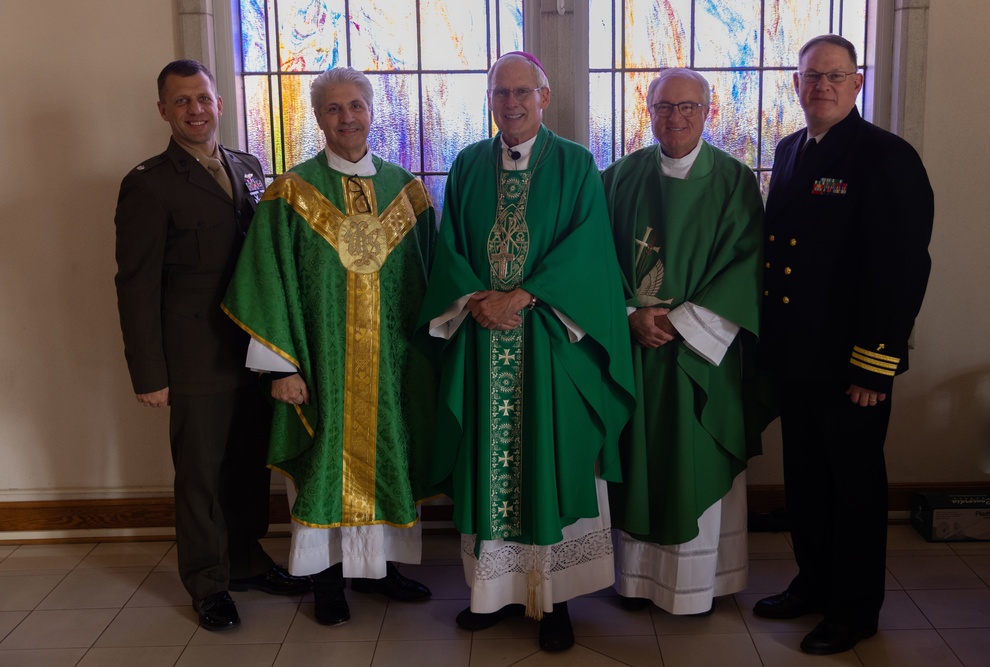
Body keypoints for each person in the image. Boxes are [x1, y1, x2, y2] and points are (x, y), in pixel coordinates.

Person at [418, 52, 635, 652]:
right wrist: (476, 301)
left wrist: (525, 294)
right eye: (499, 93)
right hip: (483, 342)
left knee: (551, 458)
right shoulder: (465, 165)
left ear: (545, 97)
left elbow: (590, 252)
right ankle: (492, 595)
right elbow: (451, 249)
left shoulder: (575, 163)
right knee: (490, 466)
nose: (510, 104)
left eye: (521, 92)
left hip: (548, 348)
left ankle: (555, 600)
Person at [222, 67, 437, 626]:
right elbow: (267, 282)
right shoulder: (292, 193)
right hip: (320, 368)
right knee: (324, 463)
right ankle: (326, 579)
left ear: (372, 111)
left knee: (390, 455)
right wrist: (280, 368)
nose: (348, 118)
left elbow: (431, 278)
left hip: (390, 369)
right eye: (334, 108)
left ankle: (382, 568)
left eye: (357, 106)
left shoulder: (407, 194)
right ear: (318, 117)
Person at [114, 59, 310, 631]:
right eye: (181, 101)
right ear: (163, 110)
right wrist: (148, 372)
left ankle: (246, 560)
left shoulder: (249, 167)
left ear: (219, 101)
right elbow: (136, 284)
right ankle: (207, 582)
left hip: (255, 350)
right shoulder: (149, 183)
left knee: (248, 465)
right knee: (201, 472)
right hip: (195, 356)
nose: (195, 110)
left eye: (202, 97)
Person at [753, 34, 933, 655]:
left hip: (850, 364)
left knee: (854, 489)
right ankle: (815, 583)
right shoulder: (791, 148)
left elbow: (902, 269)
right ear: (796, 83)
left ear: (857, 83)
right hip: (799, 358)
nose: (821, 86)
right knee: (805, 481)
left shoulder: (885, 156)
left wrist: (874, 366)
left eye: (835, 75)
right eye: (810, 76)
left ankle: (855, 610)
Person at [602, 68, 764, 616]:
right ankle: (637, 581)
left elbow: (746, 266)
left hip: (701, 355)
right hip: (635, 350)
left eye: (688, 107)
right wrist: (628, 314)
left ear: (707, 113)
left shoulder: (735, 181)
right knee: (641, 457)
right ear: (648, 112)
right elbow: (592, 263)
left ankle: (703, 584)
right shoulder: (619, 178)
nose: (675, 118)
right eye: (663, 107)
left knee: (691, 451)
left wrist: (678, 323)